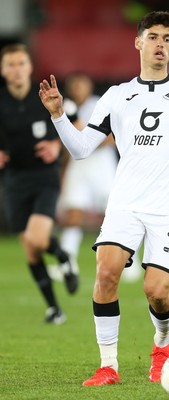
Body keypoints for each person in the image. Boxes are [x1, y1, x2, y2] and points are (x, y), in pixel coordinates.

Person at [39, 10, 169, 385]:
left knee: (156, 291)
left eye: (166, 38)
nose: (160, 44)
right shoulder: (117, 96)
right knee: (105, 273)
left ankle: (162, 344)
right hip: (125, 203)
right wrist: (58, 117)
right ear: (138, 42)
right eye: (153, 37)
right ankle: (108, 366)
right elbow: (82, 149)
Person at [0, 43, 79, 325]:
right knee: (31, 250)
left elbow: (77, 124)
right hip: (14, 180)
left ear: (30, 67)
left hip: (45, 178)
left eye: (21, 63)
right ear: (3, 69)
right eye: (10, 64)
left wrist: (57, 145)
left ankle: (63, 257)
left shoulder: (44, 95)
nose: (16, 69)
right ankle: (54, 308)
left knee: (36, 238)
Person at [49, 72, 142, 283]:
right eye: (75, 84)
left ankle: (131, 261)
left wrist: (87, 142)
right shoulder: (66, 108)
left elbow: (114, 137)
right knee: (73, 214)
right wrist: (64, 171)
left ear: (89, 86)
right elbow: (66, 146)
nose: (78, 88)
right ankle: (67, 262)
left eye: (82, 83)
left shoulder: (100, 105)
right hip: (78, 166)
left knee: (115, 215)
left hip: (102, 166)